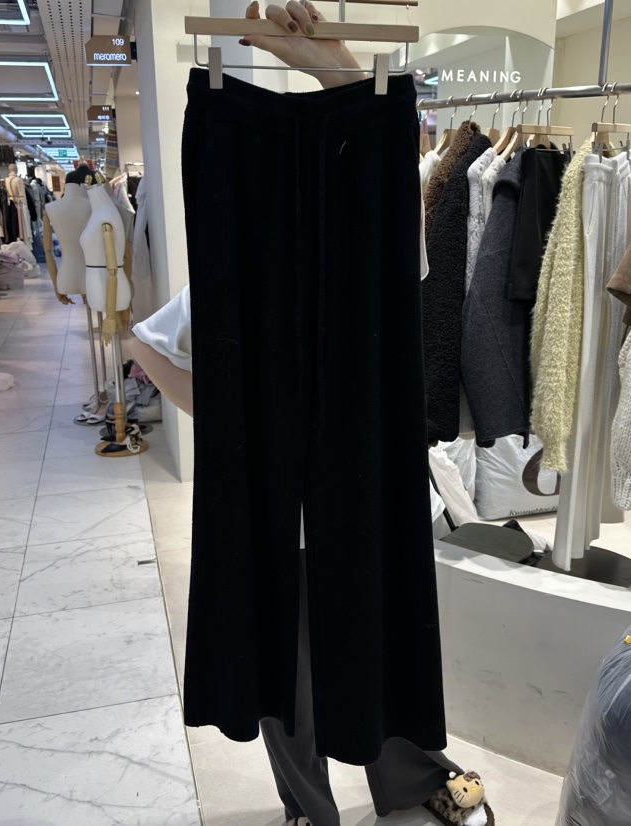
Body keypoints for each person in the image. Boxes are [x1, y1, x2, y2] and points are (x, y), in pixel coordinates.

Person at [132, 4, 492, 825]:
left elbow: (383, 179)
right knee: (286, 663)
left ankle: (411, 779)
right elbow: (148, 347)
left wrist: (334, 65)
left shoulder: (377, 239)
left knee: (376, 637)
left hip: (364, 490)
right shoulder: (233, 289)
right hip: (279, 508)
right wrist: (238, 420)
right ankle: (306, 806)